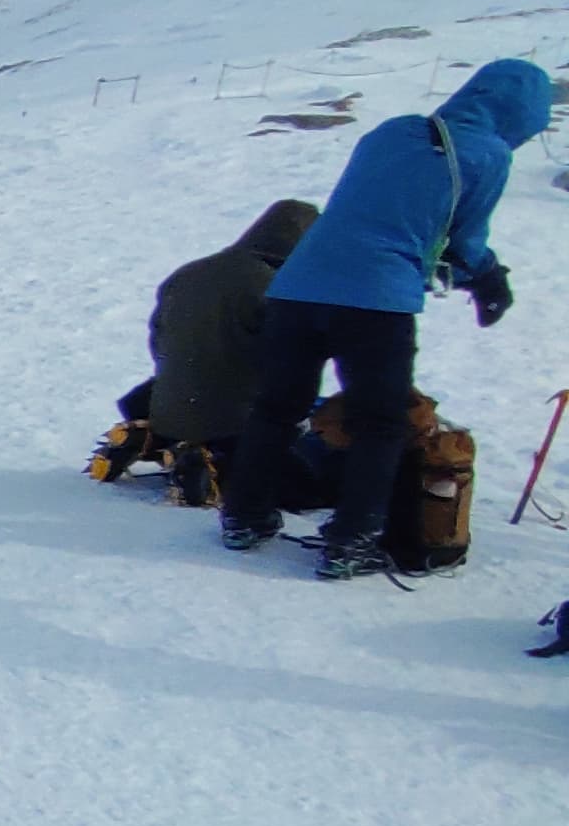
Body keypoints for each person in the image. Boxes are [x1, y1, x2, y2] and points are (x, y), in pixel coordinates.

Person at [219, 59, 549, 577]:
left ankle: (244, 517)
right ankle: (352, 542)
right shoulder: (487, 153)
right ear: (521, 111)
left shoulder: (393, 131)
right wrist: (489, 280)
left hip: (298, 286)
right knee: (380, 423)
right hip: (375, 299)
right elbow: (463, 243)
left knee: (278, 407)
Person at [123, 198, 321, 504]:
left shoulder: (187, 274)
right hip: (234, 421)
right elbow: (290, 364)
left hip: (168, 411)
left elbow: (158, 343)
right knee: (313, 482)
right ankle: (220, 465)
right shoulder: (277, 287)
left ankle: (169, 445)